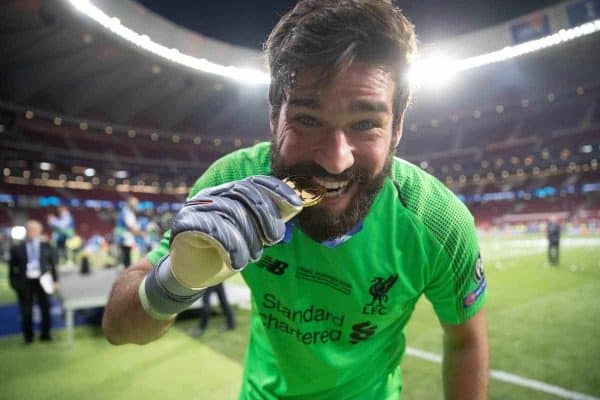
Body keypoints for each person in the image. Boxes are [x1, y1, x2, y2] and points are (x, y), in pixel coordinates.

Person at [102, 1, 489, 398]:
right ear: (274, 117)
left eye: (365, 124)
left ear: (397, 128)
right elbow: (117, 328)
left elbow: (465, 340)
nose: (336, 159)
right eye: (307, 119)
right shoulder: (232, 185)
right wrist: (178, 279)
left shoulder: (438, 222)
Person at [9, 220, 58, 343]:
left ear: (39, 231)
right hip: (25, 283)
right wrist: (15, 285)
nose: (33, 232)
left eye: (35, 229)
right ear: (26, 231)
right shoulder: (16, 248)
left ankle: (45, 334)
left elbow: (53, 265)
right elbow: (12, 270)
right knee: (26, 311)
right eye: (30, 229)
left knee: (45, 309)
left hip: (43, 282)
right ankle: (28, 337)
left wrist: (55, 281)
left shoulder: (46, 246)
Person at [114, 196, 141, 268]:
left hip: (125, 237)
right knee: (126, 256)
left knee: (126, 255)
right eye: (135, 203)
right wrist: (140, 233)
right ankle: (126, 271)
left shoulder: (127, 212)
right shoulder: (126, 212)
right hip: (124, 237)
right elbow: (129, 226)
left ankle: (125, 269)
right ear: (130, 203)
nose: (136, 205)